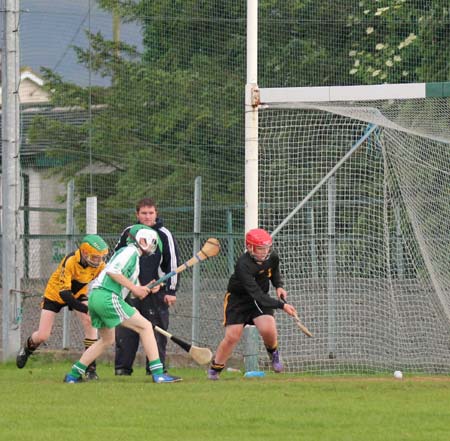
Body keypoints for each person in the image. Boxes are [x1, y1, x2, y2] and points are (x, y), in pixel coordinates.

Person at [63, 224, 182, 384]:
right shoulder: (130, 252)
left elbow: (130, 289)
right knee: (146, 327)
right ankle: (158, 373)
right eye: (153, 242)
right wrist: (134, 288)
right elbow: (113, 271)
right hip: (107, 296)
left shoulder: (131, 258)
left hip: (97, 297)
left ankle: (73, 375)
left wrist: (146, 288)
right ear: (143, 240)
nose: (154, 246)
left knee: (107, 339)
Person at [207, 228, 298, 380]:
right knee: (232, 337)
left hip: (259, 299)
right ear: (250, 247)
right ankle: (215, 370)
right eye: (261, 249)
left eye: (267, 248)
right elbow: (256, 294)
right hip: (239, 300)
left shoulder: (272, 257)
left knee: (268, 329)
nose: (265, 252)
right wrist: (282, 306)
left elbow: (273, 271)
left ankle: (273, 354)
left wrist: (279, 286)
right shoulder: (243, 264)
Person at [16, 234, 109, 380]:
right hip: (56, 294)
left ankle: (90, 368)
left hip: (78, 293)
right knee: (43, 335)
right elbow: (65, 294)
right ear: (84, 253)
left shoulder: (100, 265)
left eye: (100, 257)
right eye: (94, 257)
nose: (98, 261)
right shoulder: (70, 261)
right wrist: (85, 309)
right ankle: (28, 348)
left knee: (90, 322)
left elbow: (108, 281)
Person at [114, 197, 180, 376]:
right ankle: (122, 369)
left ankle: (155, 368)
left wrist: (169, 289)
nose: (148, 216)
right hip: (129, 291)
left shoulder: (164, 234)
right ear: (137, 214)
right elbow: (117, 259)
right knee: (126, 330)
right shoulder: (129, 232)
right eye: (144, 213)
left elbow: (172, 264)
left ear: (156, 214)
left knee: (156, 330)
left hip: (155, 293)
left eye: (151, 213)